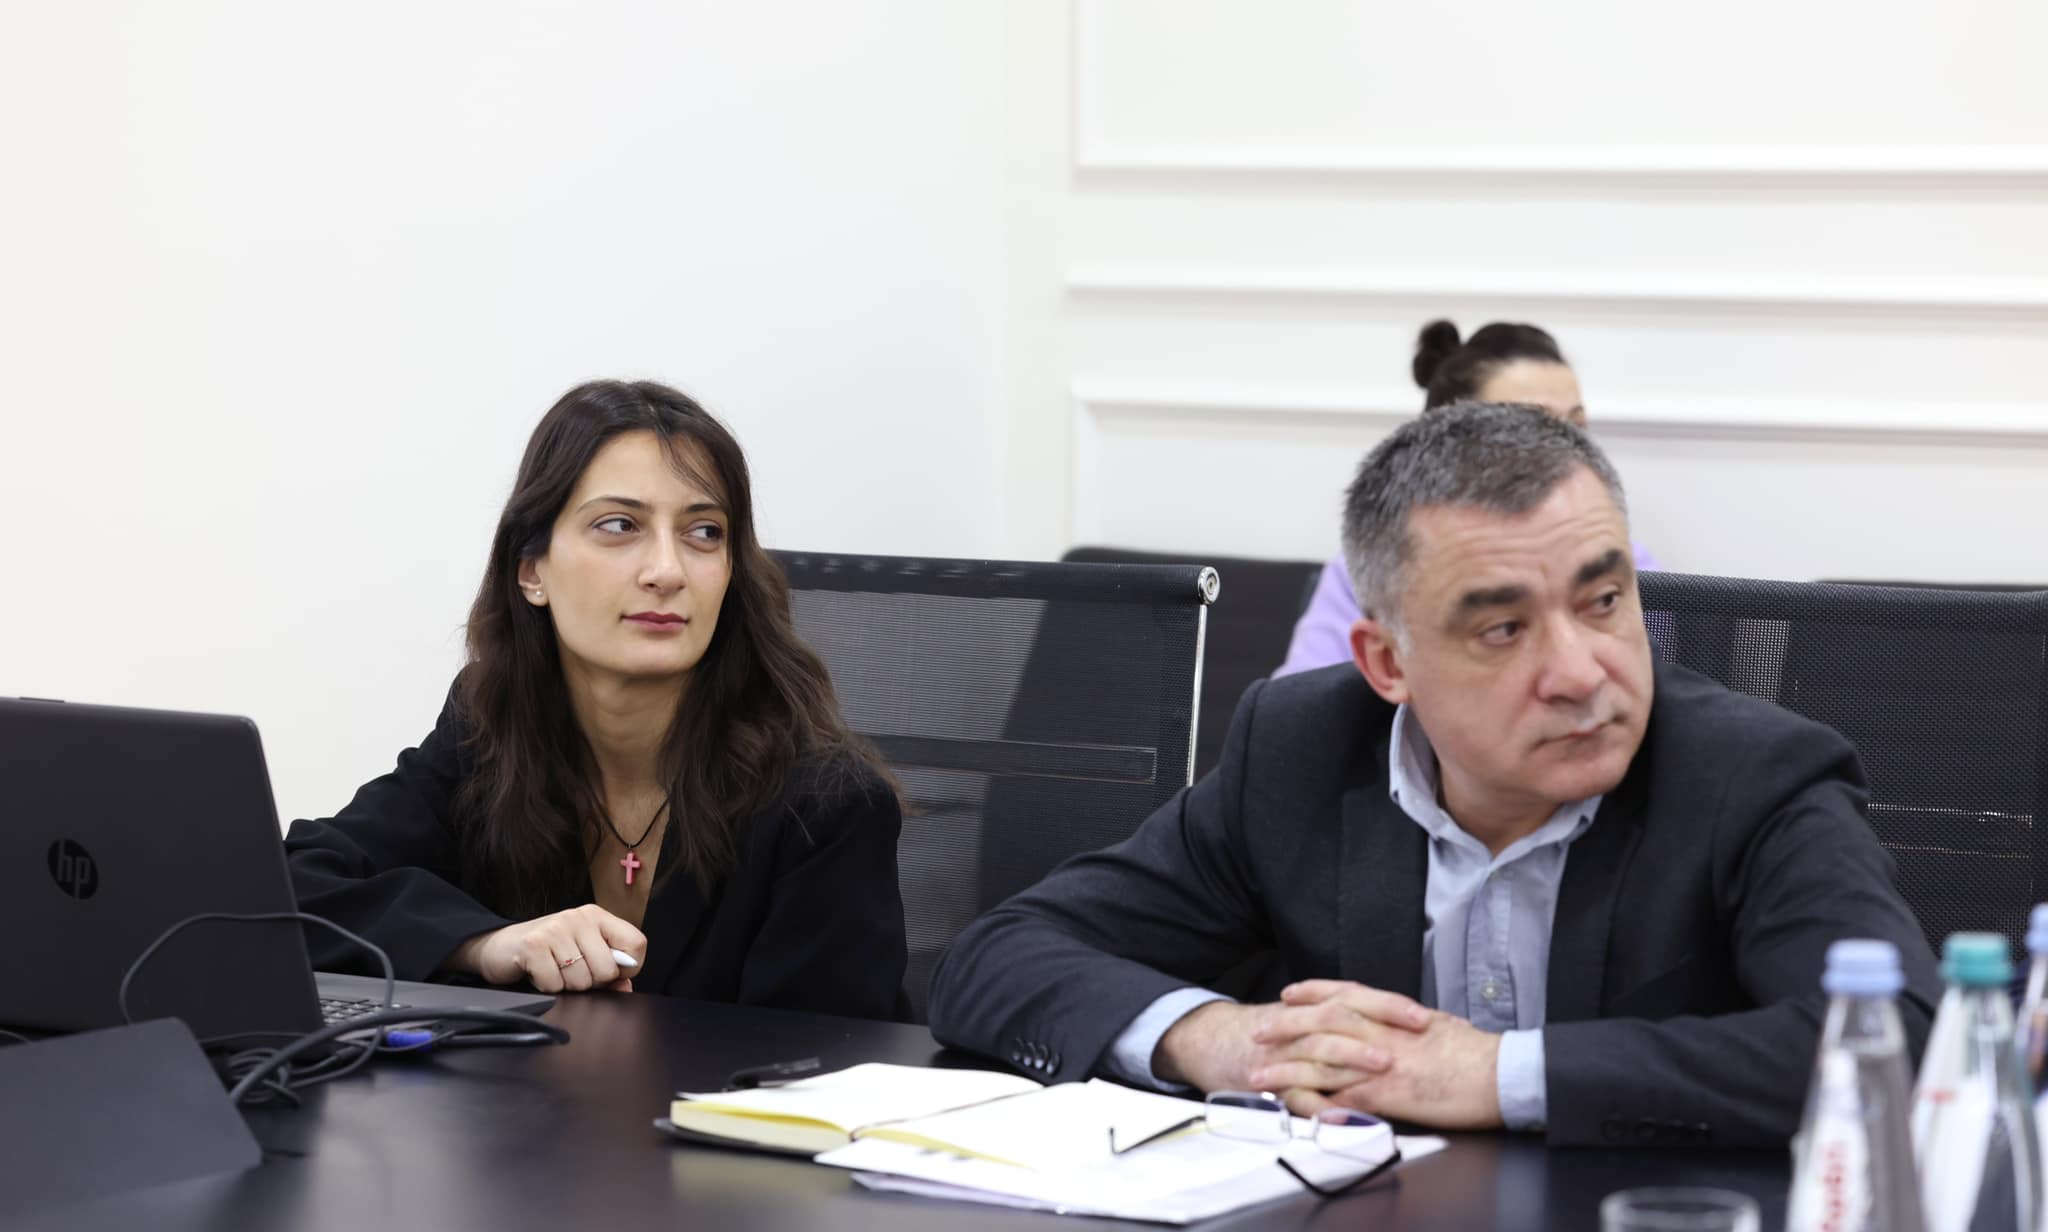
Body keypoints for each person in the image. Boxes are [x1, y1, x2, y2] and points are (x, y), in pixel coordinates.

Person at [928, 402, 1940, 1146]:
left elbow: (1893, 1046)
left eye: (1601, 602)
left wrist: (1493, 1073)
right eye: (1503, 628)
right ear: (1387, 664)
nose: (1580, 671)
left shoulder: (1752, 774)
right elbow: (1001, 955)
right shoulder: (1298, 749)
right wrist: (1217, 1037)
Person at [286, 379, 908, 1019]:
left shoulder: (828, 806)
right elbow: (290, 888)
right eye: (619, 525)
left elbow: (817, 1067)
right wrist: (484, 944)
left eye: (704, 532)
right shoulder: (491, 726)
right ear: (532, 570)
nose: (667, 571)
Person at [1277, 320, 1658, 678]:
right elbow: (1300, 704)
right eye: (1530, 432)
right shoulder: (1380, 570)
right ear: (1449, 446)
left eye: (1576, 428)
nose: (1567, 453)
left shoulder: (1623, 561)